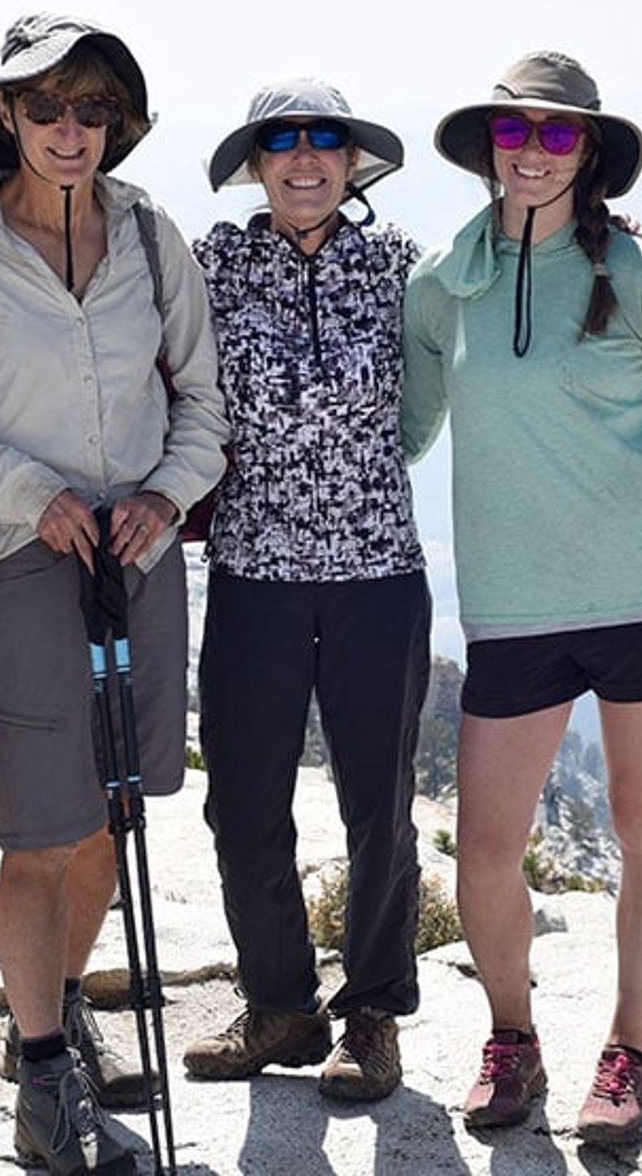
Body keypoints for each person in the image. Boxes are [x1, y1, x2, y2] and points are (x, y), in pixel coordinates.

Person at [0, 14, 227, 1176]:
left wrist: (167, 496)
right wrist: (30, 491)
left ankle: (56, 1012)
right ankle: (45, 1086)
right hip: (23, 556)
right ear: (4, 117)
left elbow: (202, 401)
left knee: (116, 816)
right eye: (47, 109)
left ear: (120, 124)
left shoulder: (153, 236)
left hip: (136, 553)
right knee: (41, 832)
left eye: (95, 111)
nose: (72, 131)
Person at [402, 51, 642, 1147]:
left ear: (588, 153)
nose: (534, 151)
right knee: (486, 849)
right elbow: (405, 434)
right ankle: (514, 1041)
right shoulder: (439, 289)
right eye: (517, 132)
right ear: (489, 147)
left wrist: (617, 502)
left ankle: (628, 1055)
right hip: (512, 609)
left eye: (557, 134)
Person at [183, 79, 431, 1104]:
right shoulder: (212, 264)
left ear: (351, 160)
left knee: (380, 809)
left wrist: (604, 235)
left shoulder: (404, 265)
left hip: (378, 575)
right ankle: (281, 1004)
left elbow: (518, 266)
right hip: (252, 573)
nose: (303, 158)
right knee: (243, 804)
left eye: (324, 140)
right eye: (279, 142)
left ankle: (371, 1017)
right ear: (253, 162)